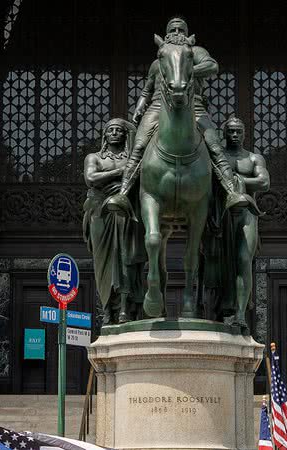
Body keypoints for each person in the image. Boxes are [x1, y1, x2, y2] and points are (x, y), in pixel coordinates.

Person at [105, 16, 250, 216]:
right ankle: (123, 194)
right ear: (166, 34)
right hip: (157, 107)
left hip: (194, 107)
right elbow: (147, 90)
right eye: (172, 29)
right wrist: (139, 106)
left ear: (187, 33)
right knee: (138, 146)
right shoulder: (159, 61)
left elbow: (212, 66)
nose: (176, 33)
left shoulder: (195, 52)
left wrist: (183, 71)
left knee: (215, 147)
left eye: (180, 29)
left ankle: (231, 193)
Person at [202, 115, 270, 329]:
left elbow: (264, 182)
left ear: (244, 133)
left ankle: (240, 314)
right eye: (230, 131)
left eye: (238, 131)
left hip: (246, 212)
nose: (234, 135)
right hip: (220, 216)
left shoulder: (254, 158)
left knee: (243, 259)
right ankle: (215, 312)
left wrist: (238, 180)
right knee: (216, 264)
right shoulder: (216, 157)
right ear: (224, 134)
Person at [82, 118, 146, 324]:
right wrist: (121, 171)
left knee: (126, 258)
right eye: (111, 130)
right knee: (104, 263)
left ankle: (126, 308)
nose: (115, 133)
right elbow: (91, 179)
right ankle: (107, 308)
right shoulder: (94, 158)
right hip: (100, 212)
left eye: (119, 130)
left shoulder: (133, 159)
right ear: (105, 135)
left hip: (126, 212)